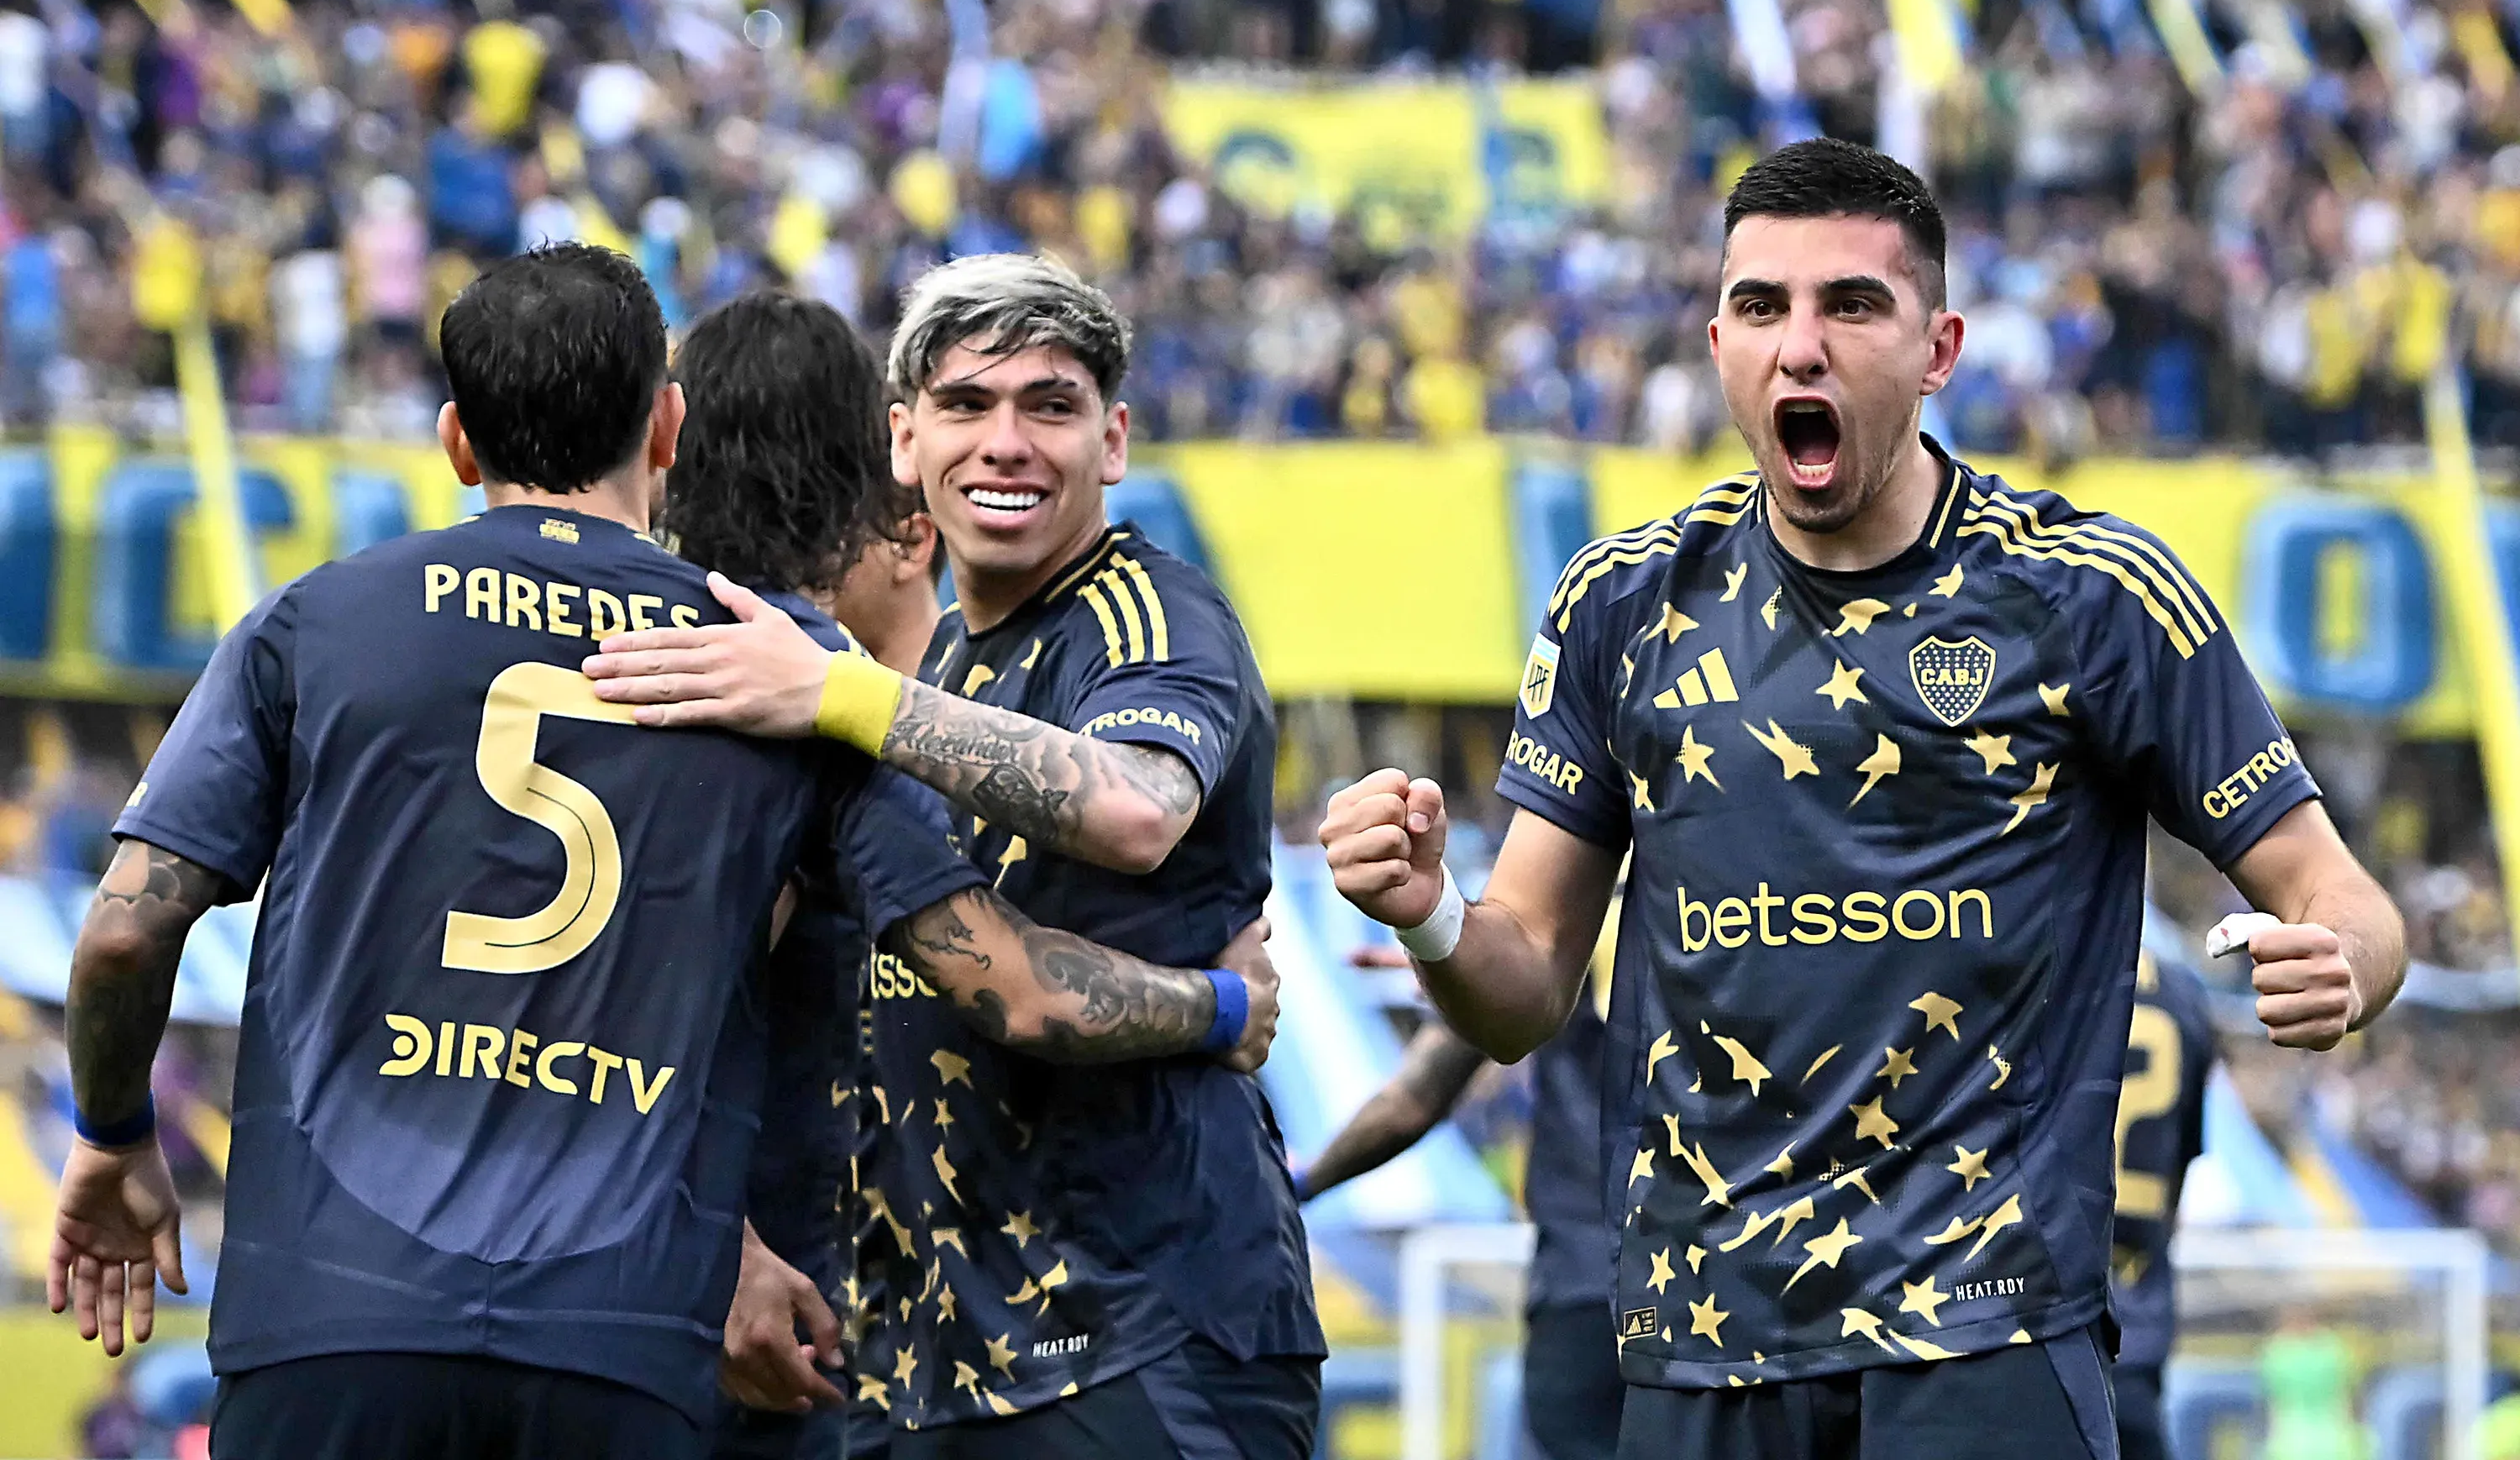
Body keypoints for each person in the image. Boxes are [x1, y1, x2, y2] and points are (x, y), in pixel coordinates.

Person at [45, 249, 1275, 1460]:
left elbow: (124, 929)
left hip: (328, 1314)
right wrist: (1221, 1004)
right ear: (665, 426)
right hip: (621, 1343)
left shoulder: (315, 623)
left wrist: (110, 1139)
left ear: (457, 443)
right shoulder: (767, 667)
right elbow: (997, 977)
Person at [1315, 139, 2407, 1459]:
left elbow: (2343, 897)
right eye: (1764, 308)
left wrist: (2340, 966)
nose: (1802, 346)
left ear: (1939, 347)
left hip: (1985, 1336)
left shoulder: (2092, 596)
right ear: (1718, 342)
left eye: (1852, 305)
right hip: (1699, 1341)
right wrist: (1432, 913)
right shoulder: (1623, 602)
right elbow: (1526, 983)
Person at [583, 253, 1326, 1459]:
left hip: (1141, 1336)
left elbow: (1139, 809)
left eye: (1051, 405)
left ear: (1115, 440)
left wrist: (846, 696)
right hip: (942, 1363)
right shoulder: (941, 673)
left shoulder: (1146, 613)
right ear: (903, 442)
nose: (1008, 442)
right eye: (968, 406)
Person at [1295, 942, 1622, 1460]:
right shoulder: (1755, 890)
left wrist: (1300, 1183)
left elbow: (1413, 1101)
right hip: (1734, 1280)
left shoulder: (1563, 895)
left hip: (1586, 1282)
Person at [2111, 941, 2215, 1460]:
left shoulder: (2034, 959)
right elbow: (2181, 1166)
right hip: (2137, 1328)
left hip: (2034, 1325)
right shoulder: (2182, 993)